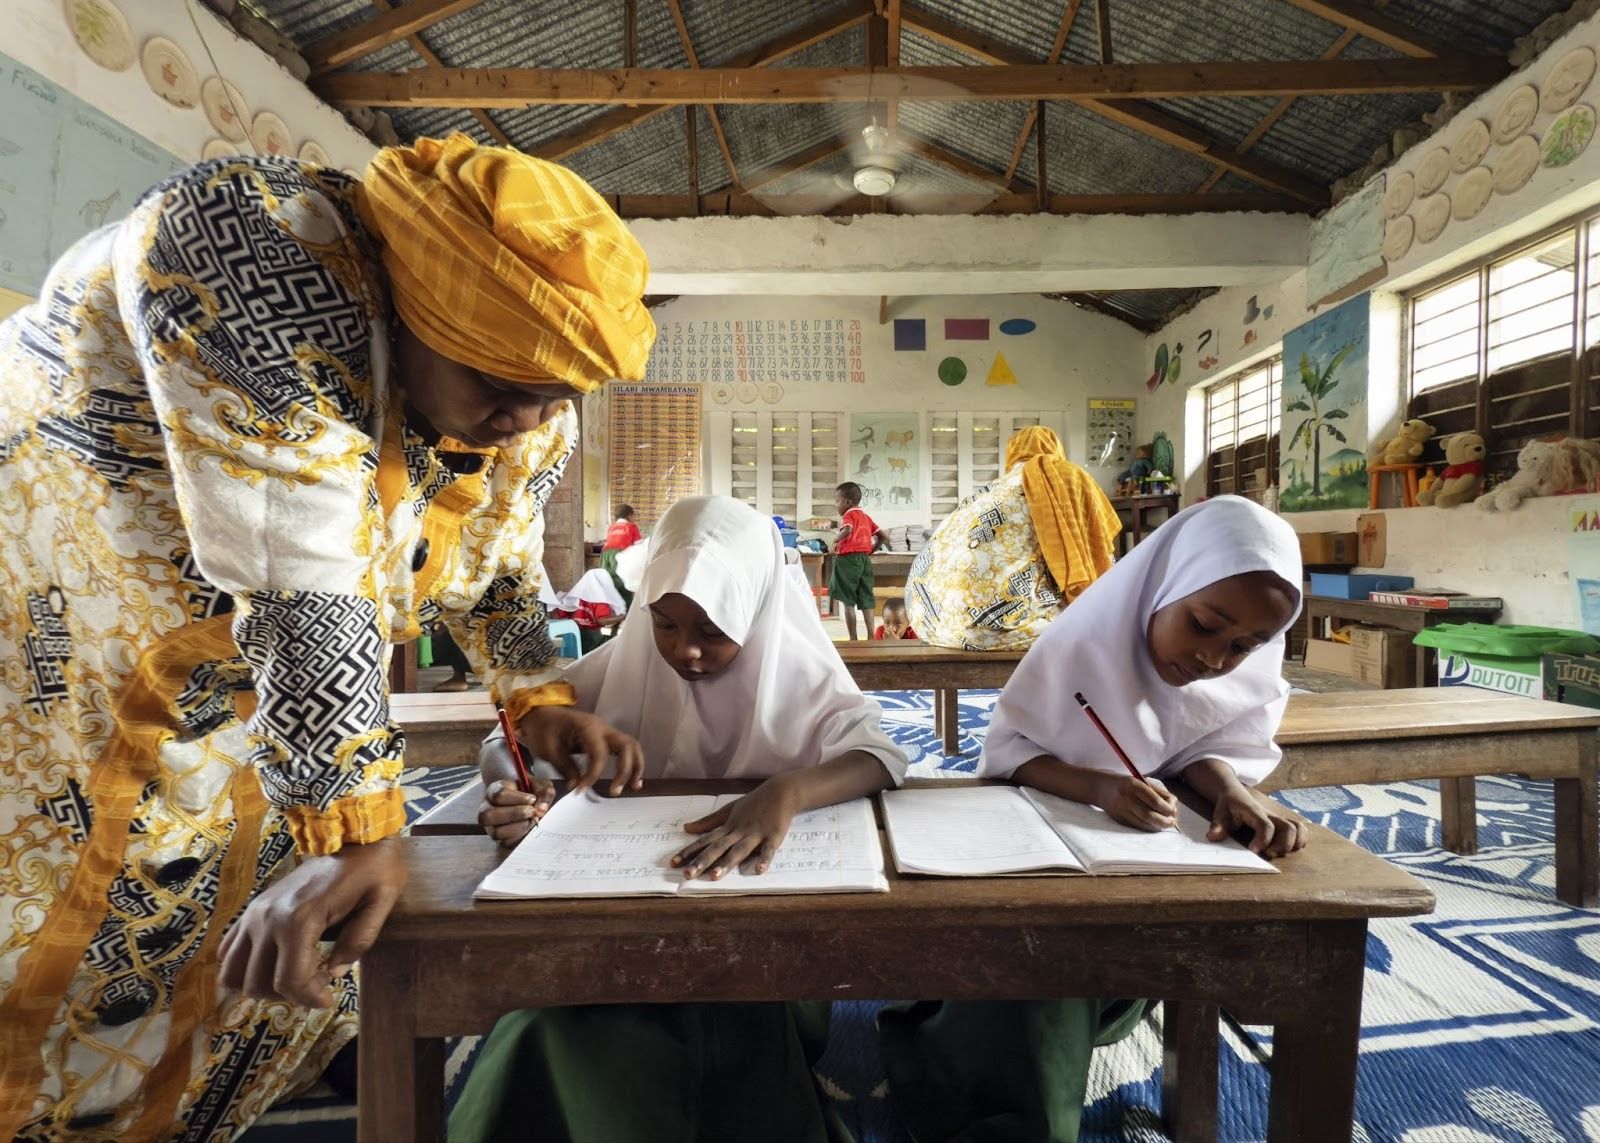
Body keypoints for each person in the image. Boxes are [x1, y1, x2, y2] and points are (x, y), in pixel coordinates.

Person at [0, 133, 655, 1140]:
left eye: (554, 396)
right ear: (413, 312)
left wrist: (536, 700)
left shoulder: (526, 402)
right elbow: (295, 558)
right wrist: (356, 825)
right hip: (52, 625)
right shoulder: (250, 237)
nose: (523, 419)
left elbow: (497, 564)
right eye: (496, 381)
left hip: (239, 673)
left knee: (224, 919)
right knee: (51, 902)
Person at [457, 495, 907, 1142]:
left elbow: (882, 757)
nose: (685, 651)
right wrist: (514, 790)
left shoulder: (798, 674)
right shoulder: (626, 662)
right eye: (665, 624)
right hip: (620, 916)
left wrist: (786, 791)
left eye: (713, 632)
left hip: (761, 932)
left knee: (737, 1020)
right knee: (551, 1027)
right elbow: (505, 741)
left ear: (754, 608)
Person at [879, 496, 1308, 1143]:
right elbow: (1012, 755)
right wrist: (1098, 786)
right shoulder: (1082, 643)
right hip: (1036, 859)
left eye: (1244, 645)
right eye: (1203, 624)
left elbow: (1201, 745)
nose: (1214, 659)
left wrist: (1230, 786)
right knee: (1043, 958)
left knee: (1127, 946)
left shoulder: (1228, 671)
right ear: (1169, 581)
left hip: (1138, 874)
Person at [906, 426, 1120, 651]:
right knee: (1085, 622)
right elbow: (1097, 547)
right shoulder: (1064, 476)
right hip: (982, 631)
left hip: (927, 623)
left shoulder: (996, 489)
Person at [831, 481, 883, 641]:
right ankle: (870, 636)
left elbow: (847, 529)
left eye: (837, 501)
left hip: (848, 560)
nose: (836, 505)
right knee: (866, 597)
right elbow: (883, 536)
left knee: (848, 600)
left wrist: (834, 540)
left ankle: (853, 638)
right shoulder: (866, 517)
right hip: (864, 560)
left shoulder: (848, 515)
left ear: (847, 502)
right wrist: (872, 549)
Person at [600, 503, 644, 606]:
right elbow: (640, 545)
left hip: (605, 555)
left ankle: (610, 609)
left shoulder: (612, 527)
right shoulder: (632, 526)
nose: (634, 518)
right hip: (621, 554)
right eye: (634, 516)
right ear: (629, 516)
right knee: (625, 582)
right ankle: (625, 611)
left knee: (608, 583)